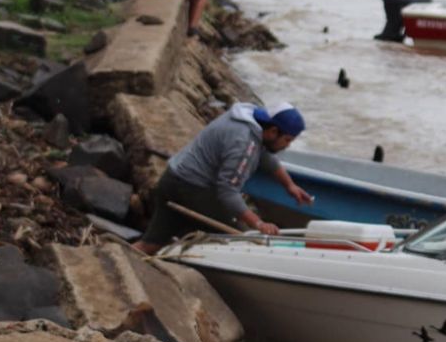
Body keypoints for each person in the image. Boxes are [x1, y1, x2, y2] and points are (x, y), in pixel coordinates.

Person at [133, 102, 312, 255]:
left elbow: (265, 155)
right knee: (242, 241)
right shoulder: (244, 142)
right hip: (193, 189)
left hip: (172, 179)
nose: (287, 146)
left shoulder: (247, 117)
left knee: (151, 244)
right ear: (273, 131)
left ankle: (123, 254)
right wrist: (259, 224)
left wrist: (290, 185)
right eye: (287, 140)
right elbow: (227, 191)